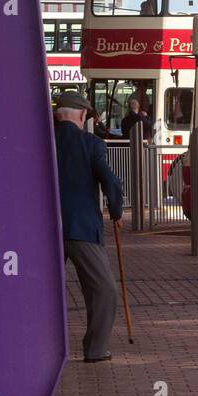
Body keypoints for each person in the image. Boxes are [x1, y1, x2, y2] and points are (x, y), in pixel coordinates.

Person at [54, 91, 124, 363]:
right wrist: (116, 211)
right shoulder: (91, 143)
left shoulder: (42, 141)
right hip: (82, 228)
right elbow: (110, 181)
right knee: (103, 289)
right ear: (82, 115)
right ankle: (95, 349)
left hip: (44, 230)